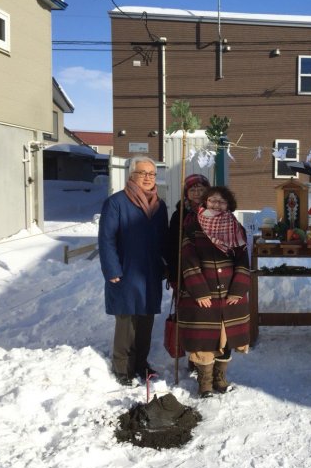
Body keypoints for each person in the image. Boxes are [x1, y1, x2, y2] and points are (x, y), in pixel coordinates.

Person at [98, 156, 169, 386]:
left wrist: (168, 264)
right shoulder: (116, 202)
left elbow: (164, 239)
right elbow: (106, 239)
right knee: (127, 320)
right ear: (131, 175)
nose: (148, 178)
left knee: (146, 319)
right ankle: (122, 368)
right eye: (143, 173)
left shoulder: (159, 206)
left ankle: (141, 363)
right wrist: (111, 268)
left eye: (152, 173)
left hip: (150, 270)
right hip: (126, 269)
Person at [177, 186, 251, 398]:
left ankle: (220, 379)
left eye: (222, 201)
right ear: (205, 202)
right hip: (202, 295)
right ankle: (205, 383)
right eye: (212, 201)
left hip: (230, 295)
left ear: (228, 205)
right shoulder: (192, 227)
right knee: (204, 340)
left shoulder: (236, 228)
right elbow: (188, 261)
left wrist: (238, 289)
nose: (216, 205)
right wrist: (199, 291)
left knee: (226, 338)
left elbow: (243, 260)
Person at [164, 173, 211, 375]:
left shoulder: (215, 211)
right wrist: (174, 275)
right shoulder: (180, 214)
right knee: (190, 319)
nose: (197, 193)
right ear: (186, 193)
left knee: (208, 320)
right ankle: (193, 359)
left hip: (210, 275)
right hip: (185, 274)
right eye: (193, 189)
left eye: (201, 189)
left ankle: (207, 361)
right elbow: (172, 247)